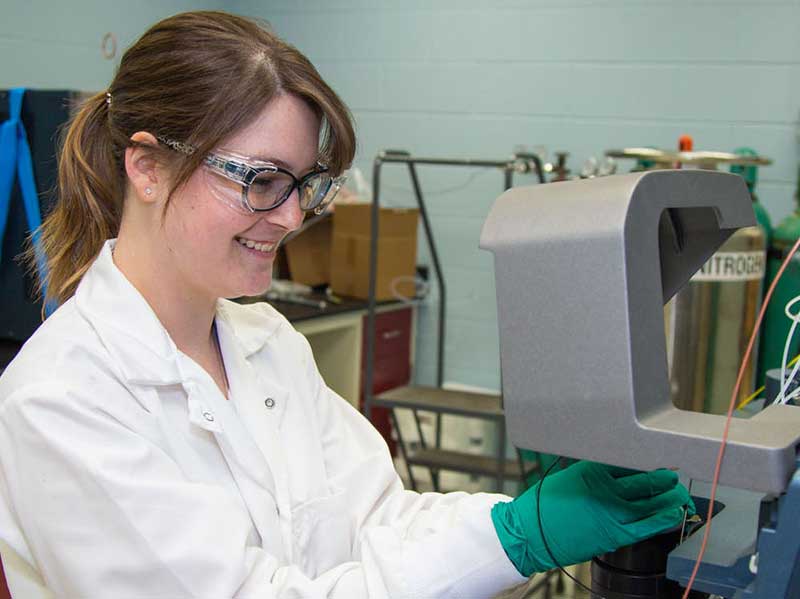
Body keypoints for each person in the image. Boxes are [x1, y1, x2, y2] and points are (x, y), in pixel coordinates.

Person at [0, 11, 691, 598]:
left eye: (305, 184)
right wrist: (519, 541)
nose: (294, 216)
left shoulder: (264, 339)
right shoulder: (61, 400)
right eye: (263, 180)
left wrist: (521, 520)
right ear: (147, 165)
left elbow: (379, 520)